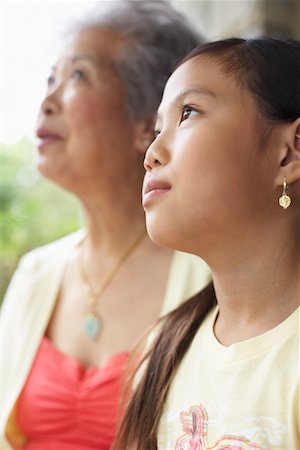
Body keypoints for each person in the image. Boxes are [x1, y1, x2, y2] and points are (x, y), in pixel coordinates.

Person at [0, 2, 211, 449]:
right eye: (49, 80)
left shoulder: (211, 276)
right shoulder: (34, 275)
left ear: (148, 124)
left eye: (78, 76)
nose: (46, 102)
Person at [115, 37, 300, 450]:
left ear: (289, 153)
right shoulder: (159, 352)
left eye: (188, 112)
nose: (152, 153)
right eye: (156, 131)